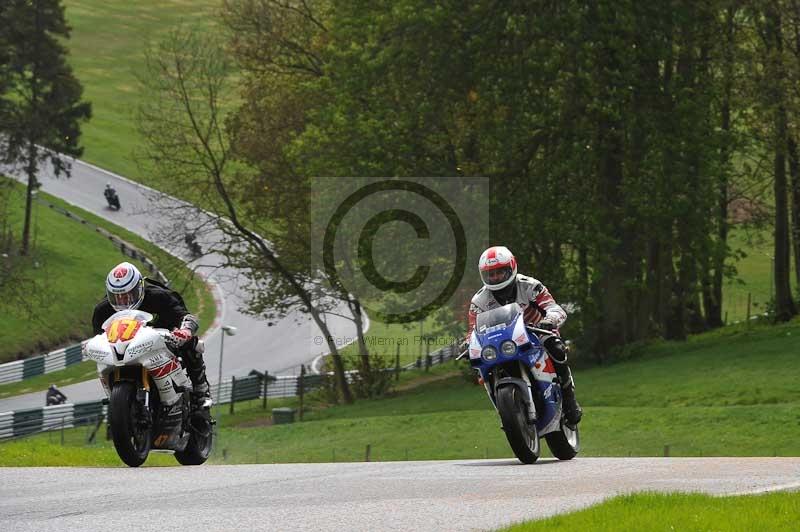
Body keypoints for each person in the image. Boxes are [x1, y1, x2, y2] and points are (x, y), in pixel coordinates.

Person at [467, 246, 582, 426]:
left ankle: (569, 399)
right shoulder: (478, 301)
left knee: (557, 349)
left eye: (500, 272)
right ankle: (506, 412)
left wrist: (550, 319)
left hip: (537, 332)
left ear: (511, 268)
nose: (495, 277)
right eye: (491, 274)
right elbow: (473, 330)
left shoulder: (530, 285)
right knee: (480, 366)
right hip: (501, 341)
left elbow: (554, 307)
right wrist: (467, 344)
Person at [91, 262, 211, 410]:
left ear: (140, 287)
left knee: (193, 344)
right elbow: (99, 337)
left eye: (128, 295)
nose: (123, 301)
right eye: (117, 297)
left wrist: (185, 331)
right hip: (126, 349)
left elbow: (184, 316)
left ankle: (200, 388)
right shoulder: (102, 310)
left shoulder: (159, 297)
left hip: (164, 341)